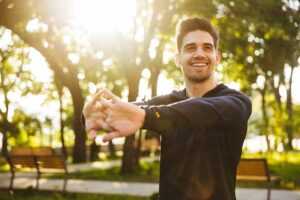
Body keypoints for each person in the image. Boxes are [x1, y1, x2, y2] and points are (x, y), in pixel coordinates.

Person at [82, 17, 252, 200]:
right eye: (190, 47)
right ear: (178, 59)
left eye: (207, 48)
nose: (199, 54)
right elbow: (124, 111)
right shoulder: (167, 102)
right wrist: (93, 115)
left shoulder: (236, 102)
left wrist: (146, 116)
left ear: (216, 57)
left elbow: (203, 109)